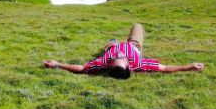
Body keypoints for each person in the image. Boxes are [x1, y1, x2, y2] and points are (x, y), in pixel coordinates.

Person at [42, 23, 204, 79]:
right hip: (133, 44)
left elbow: (82, 69)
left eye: (115, 59)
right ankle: (119, 40)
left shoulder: (104, 62)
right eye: (121, 58)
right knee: (137, 26)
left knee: (110, 44)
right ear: (128, 65)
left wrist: (57, 64)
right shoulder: (138, 63)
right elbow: (163, 68)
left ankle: (112, 42)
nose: (120, 56)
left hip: (111, 46)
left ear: (110, 64)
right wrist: (189, 66)